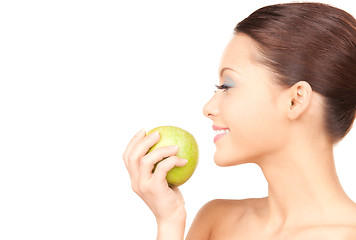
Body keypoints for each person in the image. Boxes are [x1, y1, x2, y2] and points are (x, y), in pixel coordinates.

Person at [123, 2, 356, 239]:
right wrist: (169, 221)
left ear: (295, 100)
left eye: (227, 86)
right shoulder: (216, 220)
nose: (208, 108)